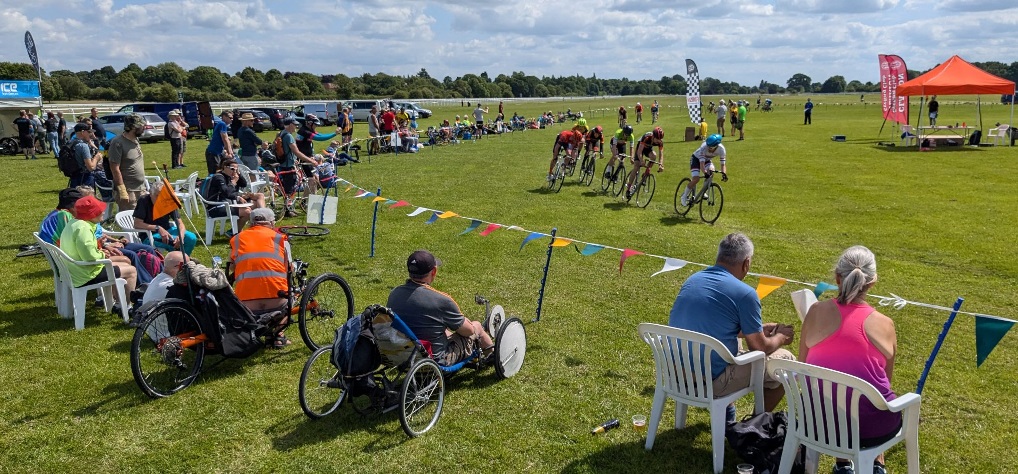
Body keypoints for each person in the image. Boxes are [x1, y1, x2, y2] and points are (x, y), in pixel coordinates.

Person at [668, 233, 795, 418]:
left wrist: (755, 330)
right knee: (786, 362)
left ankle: (728, 413)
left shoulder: (693, 280)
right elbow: (759, 347)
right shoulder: (745, 293)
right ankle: (755, 425)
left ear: (719, 256)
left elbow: (711, 324)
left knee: (736, 342)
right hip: (712, 380)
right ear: (746, 263)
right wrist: (780, 337)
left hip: (678, 372)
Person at [799, 246, 898, 474]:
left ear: (836, 277)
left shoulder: (815, 312)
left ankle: (844, 464)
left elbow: (802, 367)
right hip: (871, 429)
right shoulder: (885, 324)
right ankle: (876, 464)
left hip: (816, 421)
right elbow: (884, 384)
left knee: (838, 400)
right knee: (871, 401)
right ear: (873, 282)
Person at [386, 250, 494, 365]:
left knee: (444, 330)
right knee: (476, 326)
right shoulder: (441, 300)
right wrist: (468, 324)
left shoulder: (394, 294)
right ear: (434, 271)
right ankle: (492, 355)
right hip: (435, 359)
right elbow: (468, 331)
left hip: (402, 354)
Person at [229, 207, 292, 348]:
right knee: (296, 292)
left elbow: (232, 268)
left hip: (246, 306)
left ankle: (262, 332)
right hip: (277, 302)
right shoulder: (281, 239)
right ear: (272, 223)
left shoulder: (237, 240)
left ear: (251, 223)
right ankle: (278, 335)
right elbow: (289, 269)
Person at [59, 196, 138, 308]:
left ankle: (117, 301)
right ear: (91, 214)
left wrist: (100, 248)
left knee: (125, 261)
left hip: (76, 269)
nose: (103, 212)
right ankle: (126, 306)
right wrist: (102, 254)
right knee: (131, 271)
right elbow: (89, 257)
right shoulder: (83, 229)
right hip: (85, 274)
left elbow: (84, 249)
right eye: (100, 210)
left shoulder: (75, 223)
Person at [133, 180, 197, 255]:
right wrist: (158, 228)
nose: (160, 199)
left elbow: (180, 223)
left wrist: (181, 236)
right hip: (149, 234)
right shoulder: (144, 201)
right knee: (172, 242)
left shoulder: (168, 200)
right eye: (157, 196)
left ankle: (183, 260)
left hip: (169, 230)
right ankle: (178, 260)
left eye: (162, 196)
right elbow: (137, 224)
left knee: (191, 238)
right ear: (151, 194)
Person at [204, 158, 265, 231]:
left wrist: (239, 174)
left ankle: (264, 219)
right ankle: (234, 231)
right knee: (247, 212)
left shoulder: (231, 176)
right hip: (217, 206)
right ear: (225, 167)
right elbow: (227, 193)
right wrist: (234, 185)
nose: (234, 171)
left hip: (229, 203)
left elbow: (243, 184)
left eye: (236, 169)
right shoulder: (219, 178)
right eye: (232, 169)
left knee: (257, 201)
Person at [278, 117, 318, 217]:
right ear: (289, 125)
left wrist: (294, 158)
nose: (296, 126)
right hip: (288, 165)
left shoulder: (281, 133)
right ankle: (288, 210)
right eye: (294, 124)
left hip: (283, 163)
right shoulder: (289, 136)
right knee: (290, 189)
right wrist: (311, 161)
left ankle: (289, 207)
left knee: (288, 188)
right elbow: (297, 152)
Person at [108, 114, 148, 211]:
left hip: (140, 188)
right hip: (128, 190)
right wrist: (122, 190)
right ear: (133, 127)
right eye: (142, 126)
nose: (144, 128)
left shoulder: (136, 140)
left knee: (142, 219)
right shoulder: (117, 143)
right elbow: (114, 168)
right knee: (131, 221)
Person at [678, 134, 727, 207]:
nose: (709, 149)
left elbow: (723, 164)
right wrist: (705, 172)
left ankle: (704, 191)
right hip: (696, 159)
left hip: (707, 161)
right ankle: (684, 196)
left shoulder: (721, 149)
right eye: (708, 147)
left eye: (711, 148)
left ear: (716, 146)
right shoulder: (704, 147)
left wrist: (724, 174)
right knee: (696, 179)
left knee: (711, 171)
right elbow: (701, 164)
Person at [624, 127, 665, 199]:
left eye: (660, 139)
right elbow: (639, 152)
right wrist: (642, 161)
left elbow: (661, 154)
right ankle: (629, 187)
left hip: (648, 149)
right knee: (636, 166)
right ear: (653, 136)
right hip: (640, 148)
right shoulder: (647, 137)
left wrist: (660, 165)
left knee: (654, 155)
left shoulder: (660, 142)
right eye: (657, 139)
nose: (659, 141)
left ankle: (646, 173)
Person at [68, 123, 103, 188]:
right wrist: (96, 158)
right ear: (83, 132)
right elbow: (91, 167)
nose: (91, 134)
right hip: (85, 177)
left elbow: (96, 149)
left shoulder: (71, 143)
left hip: (74, 176)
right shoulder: (83, 146)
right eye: (89, 132)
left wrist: (89, 141)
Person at [206, 110, 234, 175]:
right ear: (224, 116)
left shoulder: (221, 124)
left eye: (232, 118)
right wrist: (230, 152)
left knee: (219, 170)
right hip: (213, 152)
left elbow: (224, 138)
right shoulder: (222, 124)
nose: (232, 119)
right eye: (230, 118)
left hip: (217, 152)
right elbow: (225, 139)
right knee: (215, 173)